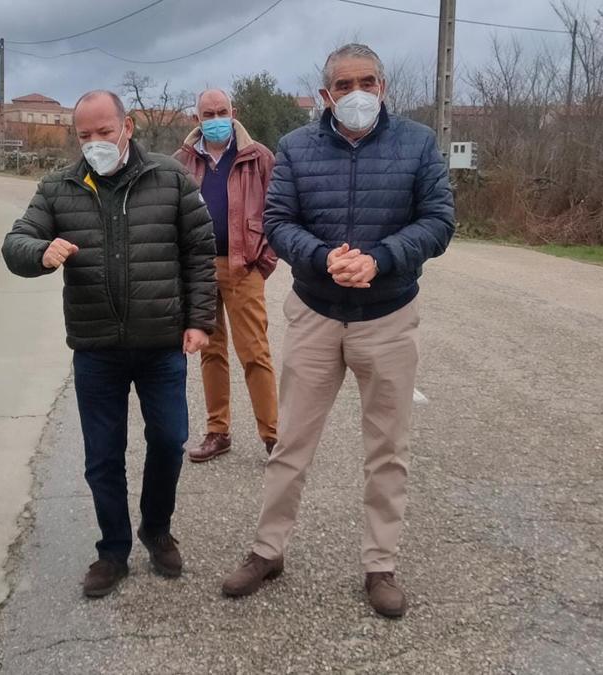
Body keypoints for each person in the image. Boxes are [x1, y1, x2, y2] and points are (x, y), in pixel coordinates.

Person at [220, 44, 455, 618]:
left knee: (388, 450)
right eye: (344, 85)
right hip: (317, 315)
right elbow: (277, 222)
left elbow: (439, 219)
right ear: (326, 95)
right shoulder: (296, 149)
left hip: (389, 315)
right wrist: (325, 258)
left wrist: (381, 258)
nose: (356, 94)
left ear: (384, 85)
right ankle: (267, 550)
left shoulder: (418, 144)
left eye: (367, 82)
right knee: (292, 443)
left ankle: (381, 565)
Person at [3, 90, 216, 598]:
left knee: (169, 440)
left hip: (161, 342)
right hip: (97, 348)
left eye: (105, 131)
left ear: (129, 126)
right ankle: (113, 550)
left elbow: (199, 251)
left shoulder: (169, 177)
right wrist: (41, 250)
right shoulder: (60, 187)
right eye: (85, 135)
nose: (96, 142)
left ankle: (156, 528)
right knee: (103, 455)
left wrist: (200, 321)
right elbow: (16, 242)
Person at [173, 88, 280, 463]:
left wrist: (263, 261)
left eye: (222, 111)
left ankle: (273, 437)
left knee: (255, 353)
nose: (215, 119)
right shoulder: (182, 162)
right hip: (199, 271)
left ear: (233, 112)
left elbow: (279, 212)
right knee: (210, 353)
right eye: (208, 113)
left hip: (243, 268)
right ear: (196, 119)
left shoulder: (258, 157)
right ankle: (218, 432)